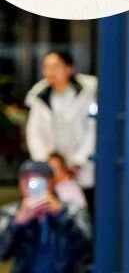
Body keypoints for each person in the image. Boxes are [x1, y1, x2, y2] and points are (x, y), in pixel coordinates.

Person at [0, 159, 92, 273]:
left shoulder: (73, 211)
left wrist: (61, 216)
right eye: (26, 180)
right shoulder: (10, 213)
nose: (31, 185)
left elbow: (86, 249)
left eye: (38, 180)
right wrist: (18, 223)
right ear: (20, 183)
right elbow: (2, 253)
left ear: (50, 183)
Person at [24, 49, 98, 209]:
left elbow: (93, 130)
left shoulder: (89, 93)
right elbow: (34, 134)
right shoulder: (39, 97)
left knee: (85, 210)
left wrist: (77, 161)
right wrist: (47, 164)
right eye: (46, 67)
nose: (50, 72)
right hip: (54, 172)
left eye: (56, 66)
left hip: (83, 169)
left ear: (69, 68)